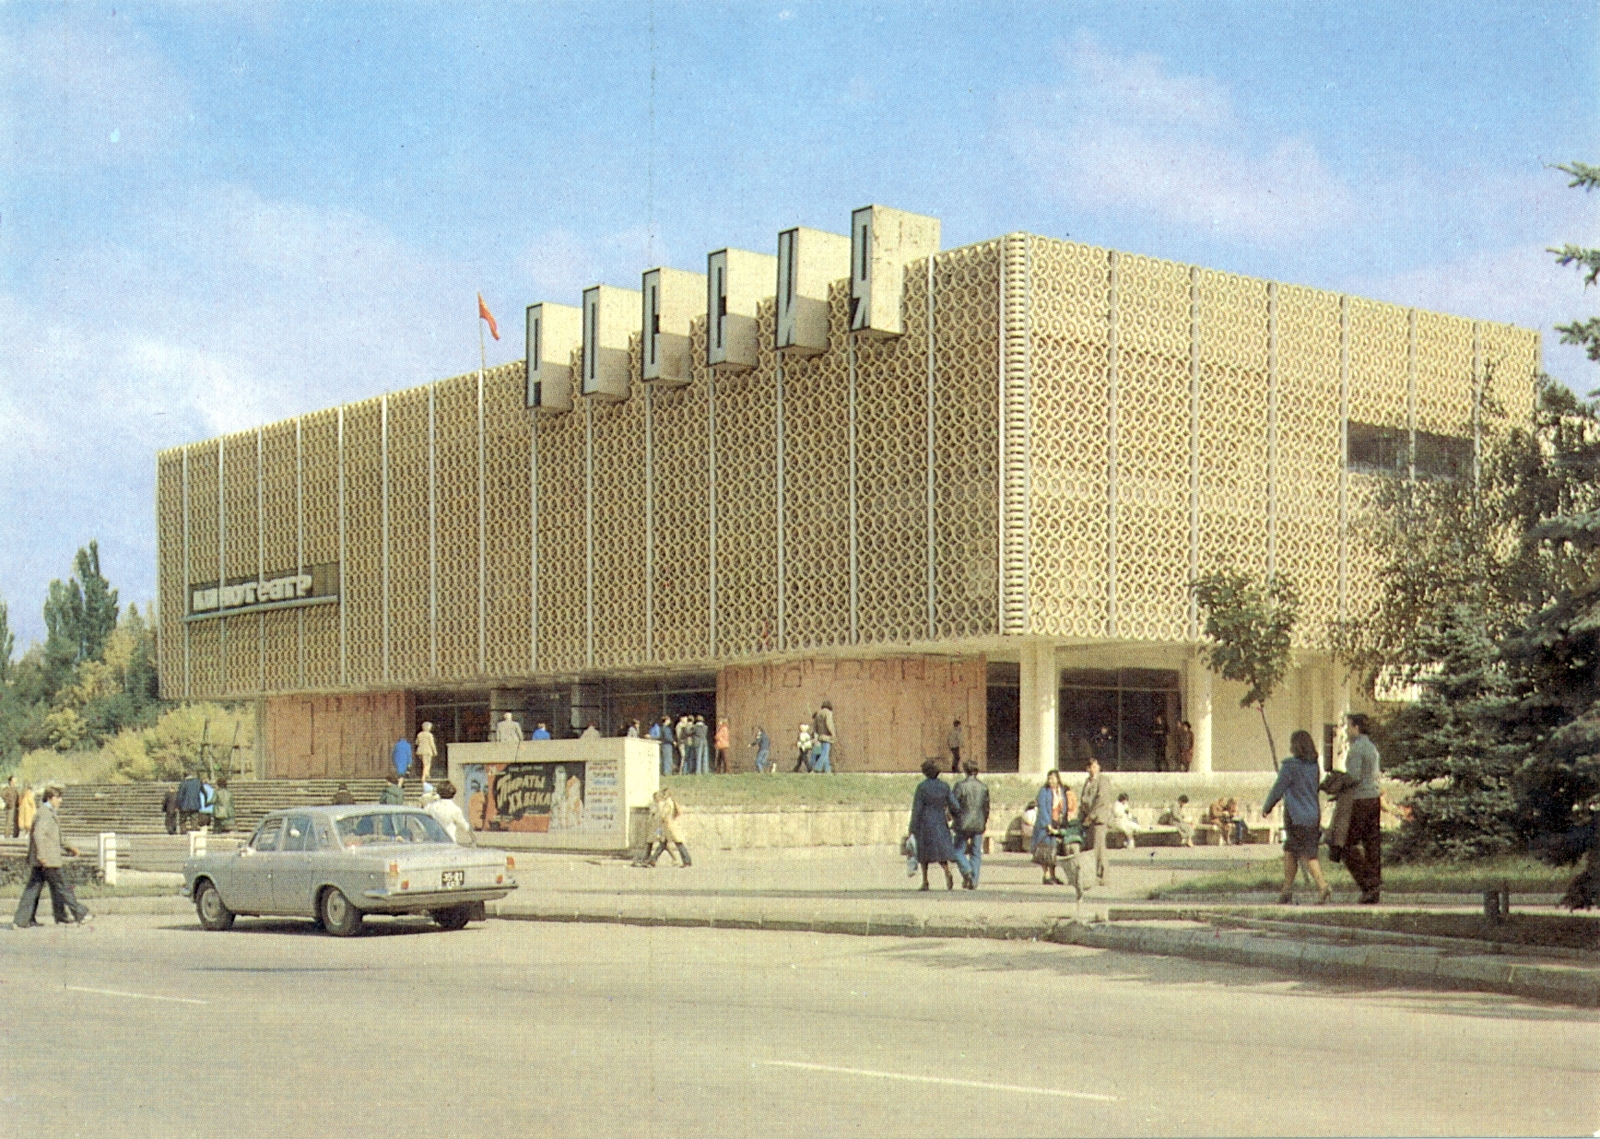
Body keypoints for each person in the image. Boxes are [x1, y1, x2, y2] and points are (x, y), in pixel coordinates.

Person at [1264, 729, 1333, 905]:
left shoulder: (1290, 766)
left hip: (1296, 817)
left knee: (1306, 854)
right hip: (1312, 814)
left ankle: (1322, 885)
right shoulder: (1314, 766)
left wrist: (1267, 807)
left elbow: (1278, 789)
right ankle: (1286, 889)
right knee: (1290, 851)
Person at [13, 786, 91, 928]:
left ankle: (22, 920)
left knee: (33, 890)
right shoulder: (45, 814)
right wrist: (42, 856)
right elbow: (38, 835)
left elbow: (57, 838)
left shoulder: (47, 813)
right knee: (63, 887)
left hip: (42, 860)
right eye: (58, 797)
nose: (60, 800)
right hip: (48, 860)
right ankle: (80, 914)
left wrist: (71, 848)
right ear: (50, 798)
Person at [907, 759, 970, 890]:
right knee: (941, 851)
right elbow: (954, 805)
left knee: (924, 853)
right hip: (940, 821)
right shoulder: (944, 786)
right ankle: (947, 871)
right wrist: (955, 816)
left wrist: (912, 828)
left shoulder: (922, 787)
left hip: (925, 822)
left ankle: (925, 881)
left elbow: (917, 809)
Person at [1342, 713, 1384, 904]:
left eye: (1349, 726)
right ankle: (1374, 886)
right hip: (1373, 798)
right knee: (1372, 844)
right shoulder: (1372, 748)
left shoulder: (1356, 749)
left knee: (1347, 845)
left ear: (1357, 728)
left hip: (1359, 800)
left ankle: (1367, 882)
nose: (1347, 730)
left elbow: (1353, 777)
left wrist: (1337, 784)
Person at [950, 760, 989, 889]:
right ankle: (974, 879)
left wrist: (955, 818)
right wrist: (984, 821)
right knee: (976, 852)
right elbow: (986, 808)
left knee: (957, 850)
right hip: (978, 823)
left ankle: (967, 871)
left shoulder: (960, 786)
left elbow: (953, 805)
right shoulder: (983, 787)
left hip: (963, 822)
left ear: (965, 771)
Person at [1078, 757, 1115, 887]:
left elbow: (1101, 800)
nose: (1092, 769)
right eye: (1090, 767)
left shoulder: (1102, 781)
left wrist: (1091, 816)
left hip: (1098, 818)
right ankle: (1094, 874)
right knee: (1092, 847)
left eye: (1095, 766)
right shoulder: (1087, 782)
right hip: (1088, 819)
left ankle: (1102, 875)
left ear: (1098, 767)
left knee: (1099, 848)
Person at [1031, 770, 1071, 887]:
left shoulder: (1060, 791)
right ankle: (1046, 875)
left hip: (1056, 823)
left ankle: (1053, 874)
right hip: (1045, 824)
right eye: (1049, 778)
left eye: (1053, 778)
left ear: (1058, 779)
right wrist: (1047, 823)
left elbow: (1064, 806)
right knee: (1045, 850)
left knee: (1053, 851)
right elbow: (1042, 808)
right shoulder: (1044, 791)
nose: (1051, 781)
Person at [635, 786, 690, 868]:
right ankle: (653, 860)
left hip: (666, 827)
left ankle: (684, 860)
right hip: (666, 827)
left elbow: (662, 815)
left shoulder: (666, 803)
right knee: (664, 844)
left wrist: (657, 826)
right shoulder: (669, 802)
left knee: (674, 843)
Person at [425, 780, 475, 844]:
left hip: (432, 841)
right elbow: (465, 826)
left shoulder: (430, 807)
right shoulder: (455, 809)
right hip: (449, 840)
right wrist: (473, 838)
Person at [811, 701, 836, 773]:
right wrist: (833, 734)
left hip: (820, 737)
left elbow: (815, 726)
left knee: (825, 755)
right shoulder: (828, 713)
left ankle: (828, 770)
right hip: (827, 737)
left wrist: (816, 735)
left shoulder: (818, 713)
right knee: (825, 754)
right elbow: (829, 724)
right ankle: (817, 768)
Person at [3, 774, 18, 839]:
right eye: (14, 779)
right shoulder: (7, 789)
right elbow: (2, 795)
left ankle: (15, 835)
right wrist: (8, 802)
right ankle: (7, 835)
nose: (16, 780)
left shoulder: (15, 789)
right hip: (10, 808)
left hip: (16, 807)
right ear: (11, 781)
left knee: (16, 822)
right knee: (9, 822)